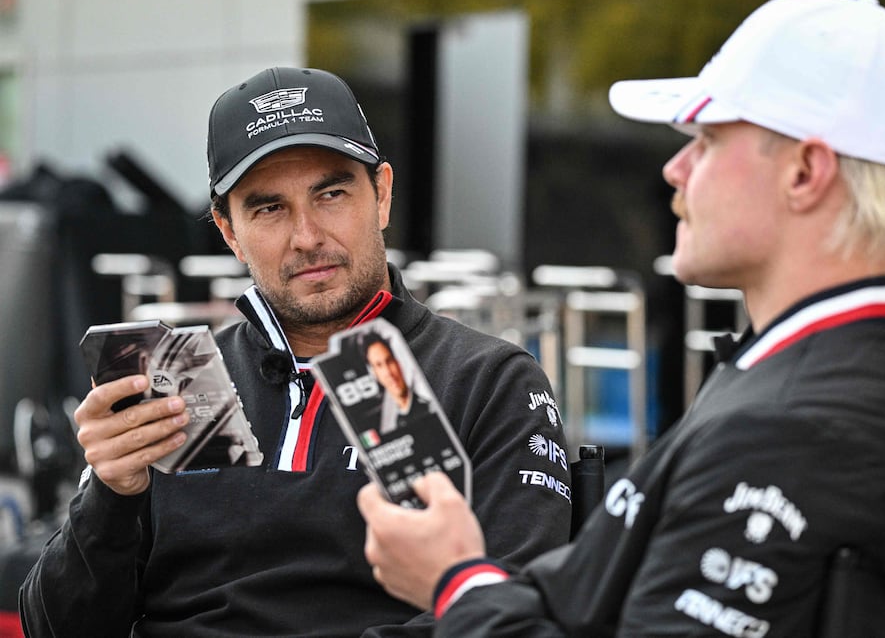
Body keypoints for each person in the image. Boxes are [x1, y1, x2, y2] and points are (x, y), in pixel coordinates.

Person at [357, 0, 885, 636]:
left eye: (707, 139)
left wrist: (453, 580)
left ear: (805, 173)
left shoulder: (789, 425)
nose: (674, 167)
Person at [19, 66, 572, 637]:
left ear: (380, 195)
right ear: (228, 231)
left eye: (331, 194)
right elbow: (56, 627)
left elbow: (511, 616)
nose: (307, 236)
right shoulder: (175, 383)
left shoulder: (489, 381)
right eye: (269, 209)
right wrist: (110, 494)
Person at [363, 333, 437, 433]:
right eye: (379, 365)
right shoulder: (381, 423)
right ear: (374, 373)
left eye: (389, 361)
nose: (388, 372)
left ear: (398, 362)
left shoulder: (429, 407)